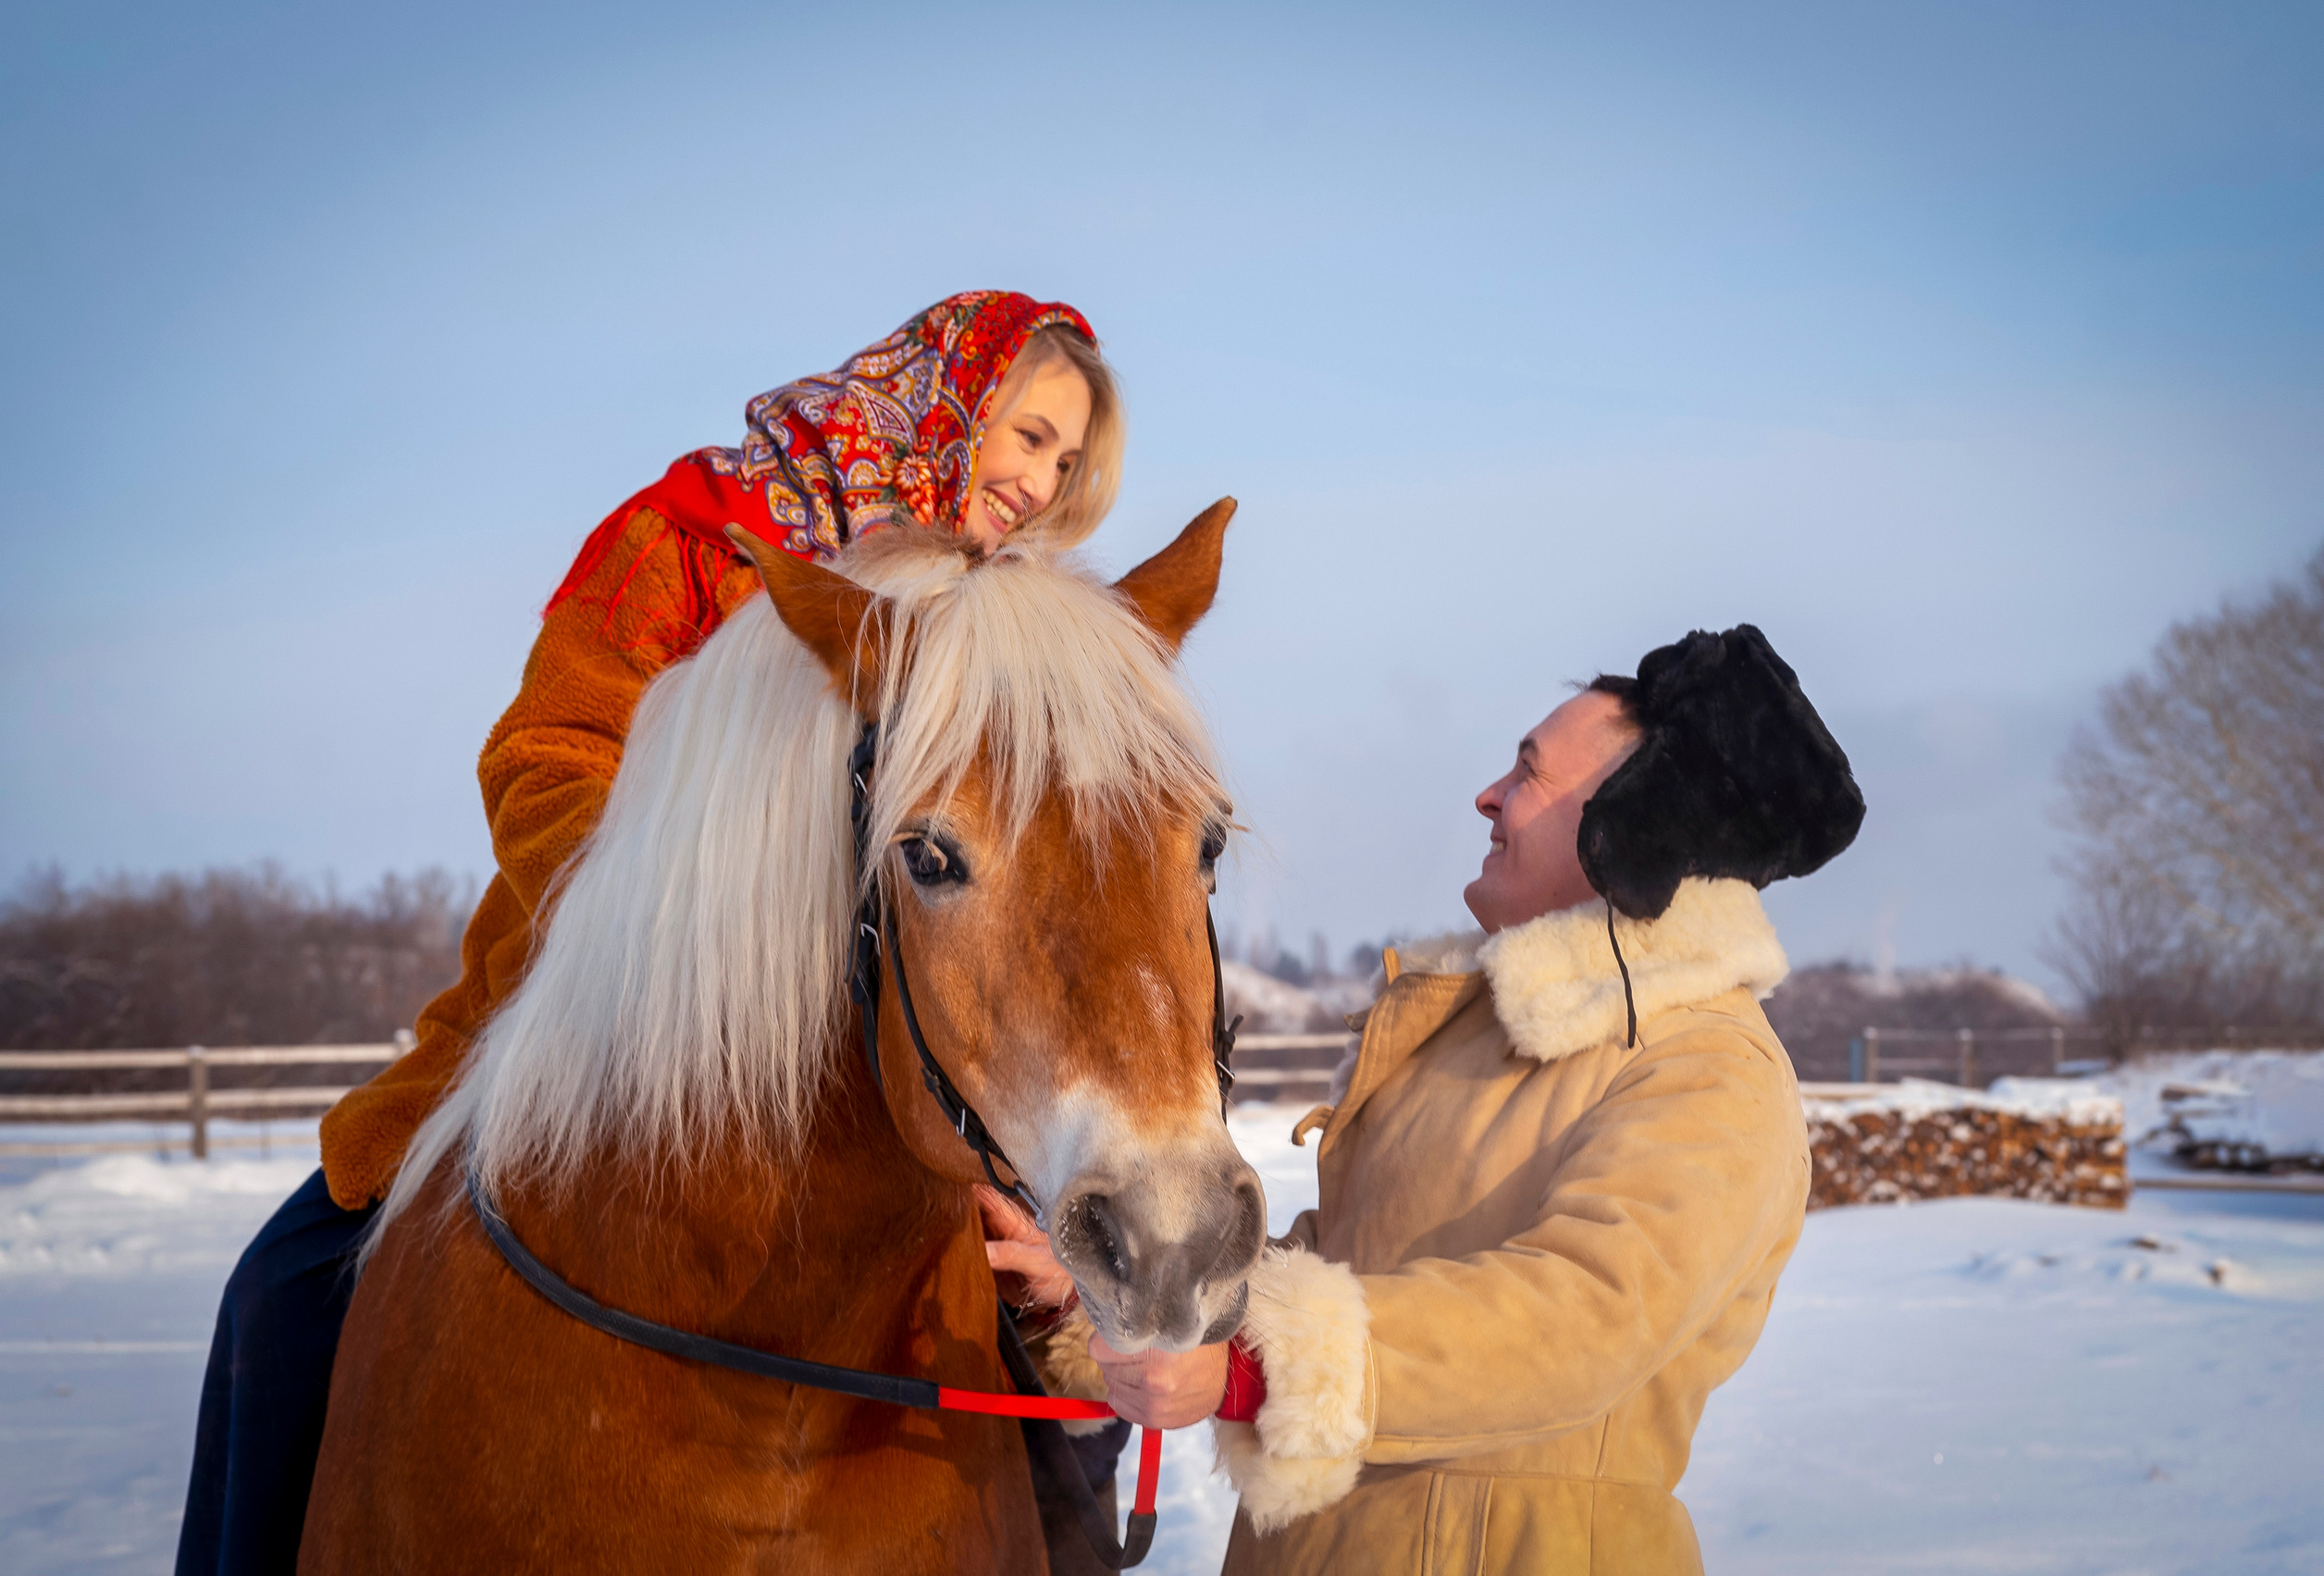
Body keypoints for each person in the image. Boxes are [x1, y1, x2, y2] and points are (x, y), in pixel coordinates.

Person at [176, 291, 1127, 1576]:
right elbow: (547, 745)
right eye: (1027, 434)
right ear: (937, 397)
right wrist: (660, 937)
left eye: (1067, 463)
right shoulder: (689, 539)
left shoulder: (993, 632)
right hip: (605, 1016)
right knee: (282, 1299)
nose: (1039, 482)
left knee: (1058, 1362)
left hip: (899, 1070)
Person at [1008, 624, 1865, 1573]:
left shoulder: (1711, 1066)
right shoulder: (1475, 1035)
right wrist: (1112, 1295)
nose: (1488, 796)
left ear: (1635, 823)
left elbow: (1582, 1315)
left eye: (1527, 773)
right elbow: (1343, 1266)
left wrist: (1257, 1368)